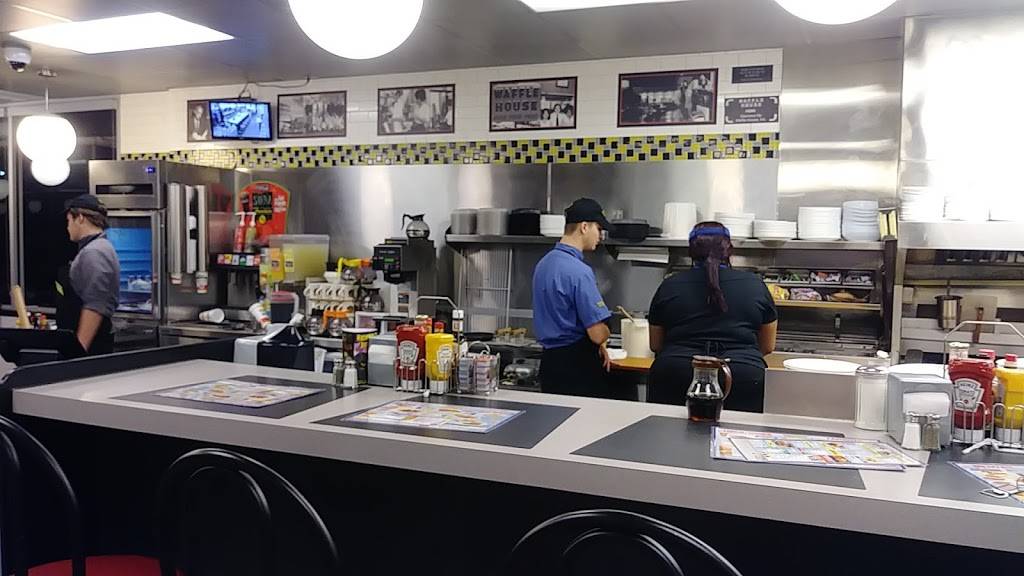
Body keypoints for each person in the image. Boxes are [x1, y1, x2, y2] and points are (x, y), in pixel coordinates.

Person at [647, 222, 777, 412]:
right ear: (728, 250)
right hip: (743, 376)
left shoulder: (670, 285)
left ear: (691, 251)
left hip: (675, 373)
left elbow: (656, 344)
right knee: (739, 431)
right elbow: (767, 346)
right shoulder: (755, 285)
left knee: (668, 430)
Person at [532, 198, 614, 398]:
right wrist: (605, 334)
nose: (600, 236)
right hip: (577, 368)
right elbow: (597, 334)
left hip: (550, 365)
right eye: (598, 228)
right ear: (584, 227)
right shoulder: (579, 271)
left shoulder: (543, 264)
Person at [58, 195, 120, 355]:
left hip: (92, 347)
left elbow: (95, 306)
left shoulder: (94, 252)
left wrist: (79, 350)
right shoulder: (97, 248)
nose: (67, 227)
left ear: (80, 218)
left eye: (68, 221)